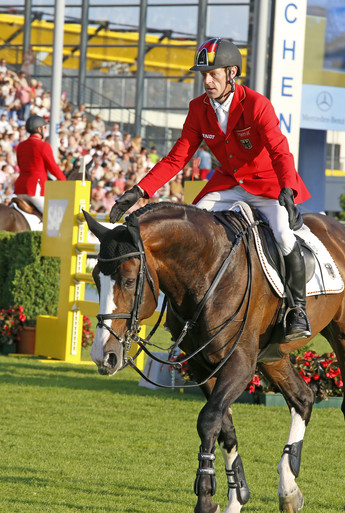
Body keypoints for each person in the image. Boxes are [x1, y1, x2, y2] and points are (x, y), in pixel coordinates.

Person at [108, 37, 312, 342]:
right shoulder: (198, 109)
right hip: (228, 183)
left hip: (267, 184)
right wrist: (139, 191)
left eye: (213, 74)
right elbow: (177, 158)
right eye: (204, 74)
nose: (207, 80)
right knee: (193, 227)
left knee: (283, 235)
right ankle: (191, 310)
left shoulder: (257, 105)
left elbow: (281, 152)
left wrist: (288, 188)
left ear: (232, 73)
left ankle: (298, 309)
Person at [14, 115, 66, 214]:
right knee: (53, 217)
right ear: (39, 129)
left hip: (20, 187)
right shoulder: (43, 145)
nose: (46, 130)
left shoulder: (21, 145)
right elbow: (53, 167)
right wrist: (64, 181)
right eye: (45, 127)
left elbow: (20, 165)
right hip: (35, 188)